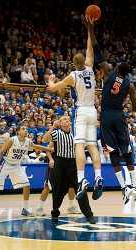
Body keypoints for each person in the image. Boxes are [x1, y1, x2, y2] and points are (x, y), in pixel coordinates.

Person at [47, 17, 103, 201]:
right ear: (85, 61)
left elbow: (54, 89)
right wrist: (89, 29)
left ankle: (82, 180)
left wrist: (50, 81)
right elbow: (90, 48)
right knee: (92, 145)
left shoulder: (73, 76)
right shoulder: (91, 69)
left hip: (80, 111)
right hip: (93, 110)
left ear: (73, 63)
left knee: (79, 145)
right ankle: (98, 177)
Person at [86, 17, 136, 204]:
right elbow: (134, 99)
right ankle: (134, 187)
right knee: (127, 152)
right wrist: (134, 109)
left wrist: (91, 29)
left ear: (117, 68)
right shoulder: (129, 84)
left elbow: (97, 47)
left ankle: (123, 187)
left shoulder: (109, 72)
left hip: (107, 116)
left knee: (113, 154)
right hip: (119, 115)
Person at [0, 125, 50, 219]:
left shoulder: (28, 141)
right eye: (23, 128)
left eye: (26, 129)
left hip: (17, 165)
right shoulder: (12, 140)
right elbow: (1, 151)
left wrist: (48, 149)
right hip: (6, 164)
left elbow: (36, 146)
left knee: (27, 185)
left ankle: (25, 209)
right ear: (18, 132)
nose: (26, 130)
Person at [42, 116, 95, 224]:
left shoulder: (75, 134)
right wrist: (52, 127)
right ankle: (55, 212)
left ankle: (89, 215)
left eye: (68, 119)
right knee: (58, 190)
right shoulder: (57, 133)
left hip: (73, 164)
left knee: (81, 189)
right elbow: (44, 139)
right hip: (60, 163)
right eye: (64, 119)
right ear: (60, 123)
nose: (67, 121)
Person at [36, 140, 80, 216]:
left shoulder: (72, 138)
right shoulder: (56, 137)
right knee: (48, 186)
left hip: (67, 165)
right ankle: (39, 208)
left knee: (71, 186)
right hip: (55, 165)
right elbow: (48, 149)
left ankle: (71, 206)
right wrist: (51, 159)